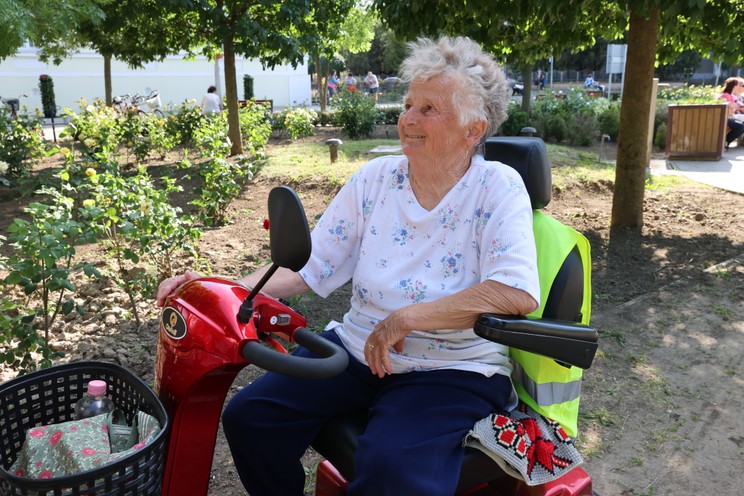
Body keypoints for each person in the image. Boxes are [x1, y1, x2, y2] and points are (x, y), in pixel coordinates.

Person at [157, 35, 539, 496]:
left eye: (428, 109)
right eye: (408, 104)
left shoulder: (497, 186)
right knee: (251, 417)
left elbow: (513, 292)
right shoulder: (377, 178)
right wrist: (215, 288)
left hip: (452, 367)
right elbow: (310, 264)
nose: (407, 120)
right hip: (359, 348)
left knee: (392, 474)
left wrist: (406, 318)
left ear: (473, 130)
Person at [718, 76, 744, 149]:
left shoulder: (731, 96)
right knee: (740, 126)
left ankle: (726, 142)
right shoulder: (725, 95)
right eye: (738, 85)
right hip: (723, 117)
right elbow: (729, 110)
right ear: (734, 86)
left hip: (730, 116)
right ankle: (725, 142)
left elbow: (732, 109)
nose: (739, 87)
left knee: (741, 125)